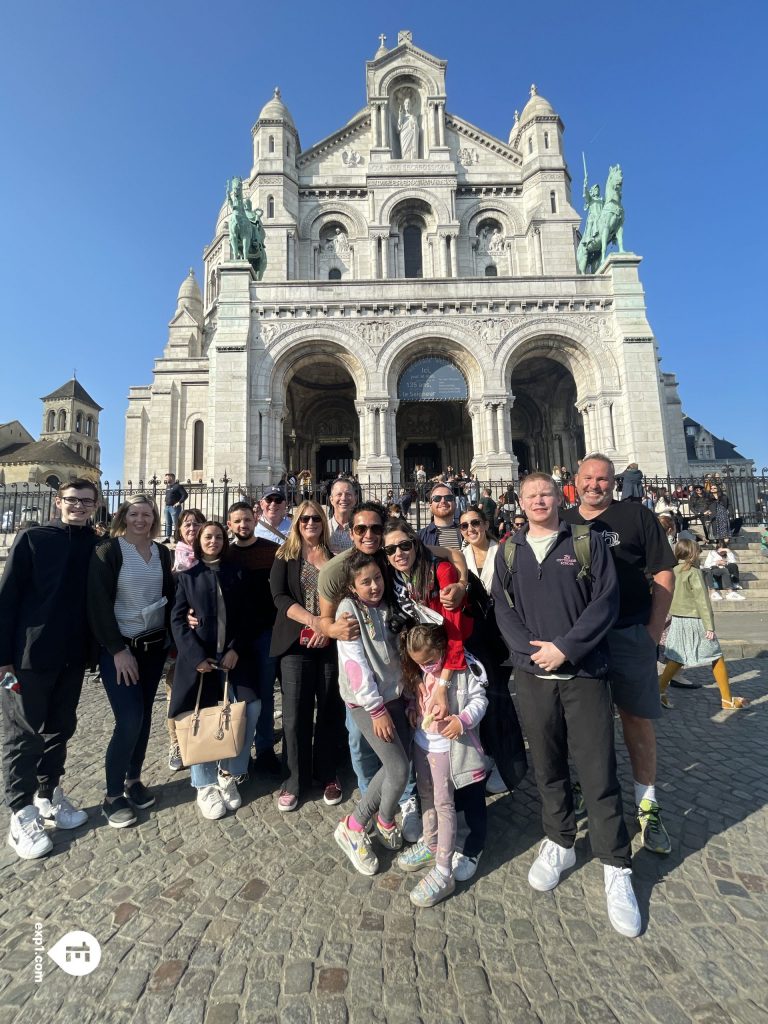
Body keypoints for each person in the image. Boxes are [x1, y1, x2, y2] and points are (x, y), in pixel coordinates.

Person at [492, 472, 641, 937]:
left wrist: (566, 648)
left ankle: (616, 865)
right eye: (530, 496)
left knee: (598, 769)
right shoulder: (509, 550)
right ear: (519, 502)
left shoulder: (587, 541)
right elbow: (503, 609)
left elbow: (606, 602)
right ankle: (559, 841)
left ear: (561, 497)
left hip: (583, 671)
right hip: (534, 675)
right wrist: (534, 655)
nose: (539, 501)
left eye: (546, 494)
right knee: (548, 763)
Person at [316, 502, 469, 843]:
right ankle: (374, 812)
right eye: (361, 530)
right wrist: (335, 628)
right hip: (366, 694)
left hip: (398, 685)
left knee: (401, 752)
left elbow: (453, 553)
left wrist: (462, 582)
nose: (369, 535)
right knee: (367, 748)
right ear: (350, 532)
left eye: (375, 529)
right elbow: (326, 622)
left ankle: (401, 803)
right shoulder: (337, 573)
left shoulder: (394, 553)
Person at [561, 454, 676, 856]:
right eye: (589, 478)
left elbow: (663, 570)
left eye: (604, 479)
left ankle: (647, 805)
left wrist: (652, 629)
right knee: (585, 722)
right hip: (582, 640)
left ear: (615, 481)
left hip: (629, 632)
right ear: (575, 481)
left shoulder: (637, 516)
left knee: (637, 719)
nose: (596, 485)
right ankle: (586, 788)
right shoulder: (562, 521)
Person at [0, 479, 98, 859]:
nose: (78, 506)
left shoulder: (96, 544)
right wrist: (2, 659)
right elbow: (7, 600)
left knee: (60, 727)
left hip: (72, 655)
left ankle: (47, 795)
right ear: (59, 502)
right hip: (26, 660)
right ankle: (20, 811)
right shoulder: (32, 539)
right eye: (72, 500)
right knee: (21, 733)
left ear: (94, 506)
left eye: (86, 502)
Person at [88, 494, 174, 828]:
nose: (141, 519)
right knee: (129, 718)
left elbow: (167, 595)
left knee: (144, 717)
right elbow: (97, 603)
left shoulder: (161, 552)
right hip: (121, 649)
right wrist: (117, 650)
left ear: (154, 518)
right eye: (135, 514)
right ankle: (112, 797)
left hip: (153, 647)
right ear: (124, 515)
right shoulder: (109, 550)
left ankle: (133, 780)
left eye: (147, 514)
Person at [170, 522, 259, 818]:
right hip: (201, 663)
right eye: (208, 536)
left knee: (252, 707)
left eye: (219, 536)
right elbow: (178, 620)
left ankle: (229, 771)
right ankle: (203, 783)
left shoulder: (238, 572)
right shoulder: (186, 576)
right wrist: (196, 656)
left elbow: (249, 616)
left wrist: (235, 648)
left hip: (234, 656)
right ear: (198, 541)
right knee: (202, 718)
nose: (213, 541)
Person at [397, 623, 489, 907]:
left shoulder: (461, 668)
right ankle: (431, 841)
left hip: (447, 750)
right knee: (427, 798)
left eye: (429, 661)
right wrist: (412, 708)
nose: (426, 667)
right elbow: (416, 696)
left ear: (442, 649)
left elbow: (479, 699)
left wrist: (461, 721)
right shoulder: (420, 670)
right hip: (422, 744)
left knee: (444, 804)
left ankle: (444, 868)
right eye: (419, 663)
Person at [333, 551, 411, 876]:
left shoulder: (387, 604)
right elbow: (356, 666)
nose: (374, 585)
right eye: (365, 582)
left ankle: (380, 819)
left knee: (399, 766)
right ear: (352, 587)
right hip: (368, 702)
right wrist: (377, 710)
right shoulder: (349, 610)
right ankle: (358, 823)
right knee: (397, 766)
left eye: (377, 578)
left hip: (394, 695)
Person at [269, 501, 344, 811]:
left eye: (315, 518)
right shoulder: (284, 556)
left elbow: (344, 596)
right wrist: (315, 622)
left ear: (323, 523)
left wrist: (327, 629)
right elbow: (279, 596)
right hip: (296, 644)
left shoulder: (335, 557)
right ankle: (293, 780)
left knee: (329, 708)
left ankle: (327, 774)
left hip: (329, 643)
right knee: (295, 712)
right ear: (296, 523)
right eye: (304, 519)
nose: (310, 523)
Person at [659, 539, 749, 711]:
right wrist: (709, 626)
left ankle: (659, 690)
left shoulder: (672, 570)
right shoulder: (694, 572)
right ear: (693, 553)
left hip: (678, 619)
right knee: (717, 656)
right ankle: (727, 699)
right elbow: (702, 601)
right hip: (695, 620)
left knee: (678, 657)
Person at [226, 501, 280, 775]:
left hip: (266, 633)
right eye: (238, 521)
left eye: (247, 520)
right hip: (236, 639)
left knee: (266, 692)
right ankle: (241, 750)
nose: (243, 525)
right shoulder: (226, 555)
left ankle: (266, 747)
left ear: (256, 519)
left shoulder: (272, 551)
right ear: (230, 524)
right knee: (241, 696)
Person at [166, 508, 206, 771]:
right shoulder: (169, 557)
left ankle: (206, 739)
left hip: (206, 637)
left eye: (197, 524)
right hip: (178, 635)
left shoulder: (213, 555)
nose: (192, 528)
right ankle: (177, 742)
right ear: (179, 528)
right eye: (187, 524)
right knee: (177, 692)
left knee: (206, 692)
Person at [419, 483, 461, 548]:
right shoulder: (420, 538)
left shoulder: (466, 533)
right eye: (437, 498)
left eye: (448, 497)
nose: (443, 501)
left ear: (455, 504)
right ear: (430, 506)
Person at [327, 478, 356, 554]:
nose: (343, 498)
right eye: (339, 494)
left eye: (348, 494)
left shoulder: (363, 530)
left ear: (355, 499)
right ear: (331, 499)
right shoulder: (323, 529)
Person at [162, 473, 188, 542]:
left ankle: (177, 538)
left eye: (167, 478)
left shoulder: (178, 486)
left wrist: (179, 502)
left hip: (174, 508)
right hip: (167, 507)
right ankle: (168, 538)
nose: (165, 479)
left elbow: (185, 495)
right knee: (168, 524)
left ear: (171, 478)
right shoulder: (167, 487)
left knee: (176, 524)